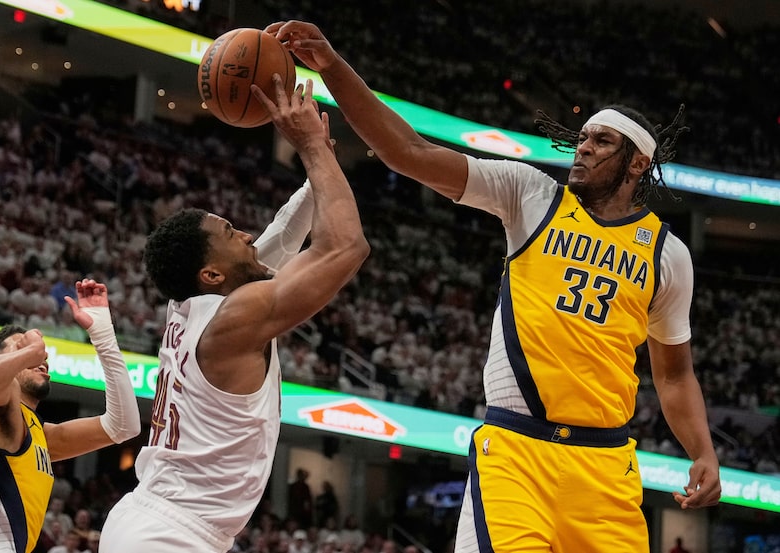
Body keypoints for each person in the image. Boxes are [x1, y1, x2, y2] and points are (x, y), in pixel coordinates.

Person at [265, 21, 722, 553]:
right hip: (515, 452)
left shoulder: (668, 254)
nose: (584, 147)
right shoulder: (531, 194)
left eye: (603, 141)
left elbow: (673, 375)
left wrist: (703, 451)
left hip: (605, 469)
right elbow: (407, 152)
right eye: (584, 137)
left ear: (637, 163)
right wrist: (333, 68)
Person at [98, 75, 369, 553]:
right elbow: (345, 246)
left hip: (158, 521)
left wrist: (317, 166)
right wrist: (310, 148)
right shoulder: (233, 321)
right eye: (230, 233)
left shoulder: (198, 303)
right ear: (212, 274)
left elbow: (281, 239)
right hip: (168, 534)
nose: (246, 234)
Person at [0, 279, 140, 552]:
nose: (41, 354)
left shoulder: (38, 434)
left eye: (38, 351)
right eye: (18, 346)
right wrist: (29, 352)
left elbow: (124, 426)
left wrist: (102, 334)